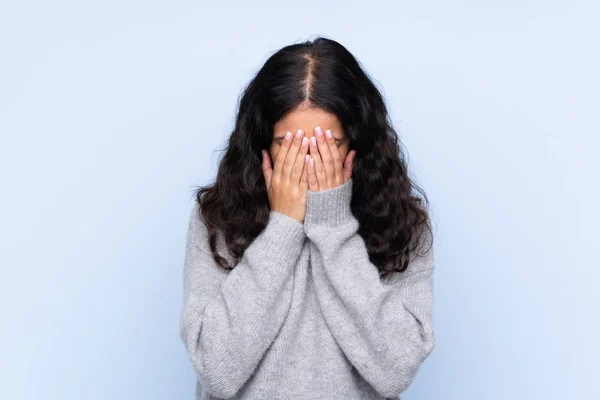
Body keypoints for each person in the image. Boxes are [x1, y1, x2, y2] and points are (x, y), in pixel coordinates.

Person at [180, 36, 435, 400]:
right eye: (290, 143)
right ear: (263, 143)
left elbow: (395, 369)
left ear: (356, 144)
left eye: (326, 144)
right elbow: (216, 370)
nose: (309, 161)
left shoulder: (403, 224)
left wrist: (332, 226)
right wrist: (283, 225)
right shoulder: (217, 218)